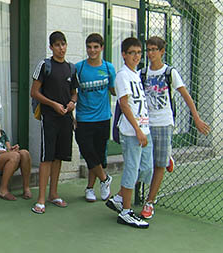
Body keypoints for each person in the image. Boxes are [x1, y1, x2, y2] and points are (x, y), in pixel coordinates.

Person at [139, 36, 211, 219]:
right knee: (144, 163)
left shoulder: (170, 72)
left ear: (162, 51)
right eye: (148, 50)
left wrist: (196, 118)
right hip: (146, 124)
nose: (151, 53)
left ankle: (149, 202)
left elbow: (186, 96)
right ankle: (166, 156)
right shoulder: (142, 73)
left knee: (159, 165)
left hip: (164, 123)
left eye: (154, 49)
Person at [30, 31, 79, 214]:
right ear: (51, 47)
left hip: (66, 118)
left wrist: (72, 103)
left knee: (59, 157)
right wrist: (53, 104)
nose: (61, 48)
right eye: (57, 45)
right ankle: (41, 199)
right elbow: (34, 92)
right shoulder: (44, 65)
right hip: (49, 118)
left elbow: (74, 92)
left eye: (63, 44)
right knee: (47, 157)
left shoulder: (71, 68)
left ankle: (53, 194)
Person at [105, 37, 152, 228]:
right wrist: (137, 130)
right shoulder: (122, 75)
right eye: (132, 53)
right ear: (124, 54)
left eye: (139, 53)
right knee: (132, 169)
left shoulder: (136, 75)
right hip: (132, 131)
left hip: (144, 129)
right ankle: (125, 211)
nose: (136, 56)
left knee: (146, 167)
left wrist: (144, 129)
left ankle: (119, 198)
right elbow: (124, 104)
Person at [74, 33, 115, 202]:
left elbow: (114, 91)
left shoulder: (108, 68)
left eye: (96, 47)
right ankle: (105, 179)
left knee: (97, 156)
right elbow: (71, 93)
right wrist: (72, 116)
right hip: (83, 118)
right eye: (89, 47)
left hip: (103, 118)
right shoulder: (79, 68)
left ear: (102, 48)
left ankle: (90, 188)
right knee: (87, 151)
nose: (92, 50)